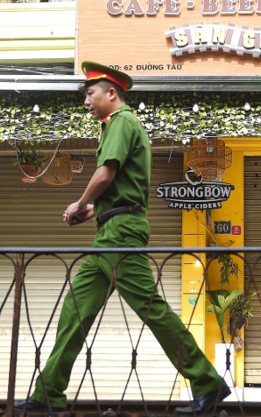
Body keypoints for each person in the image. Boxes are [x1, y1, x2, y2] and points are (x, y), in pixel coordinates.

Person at [14, 62, 229, 415]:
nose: (86, 101)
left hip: (120, 235)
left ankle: (206, 382)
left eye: (90, 94)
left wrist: (80, 203)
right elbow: (114, 182)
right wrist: (93, 209)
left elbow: (106, 171)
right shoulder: (118, 125)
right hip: (109, 232)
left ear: (111, 93)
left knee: (152, 309)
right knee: (74, 313)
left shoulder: (121, 121)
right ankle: (46, 396)